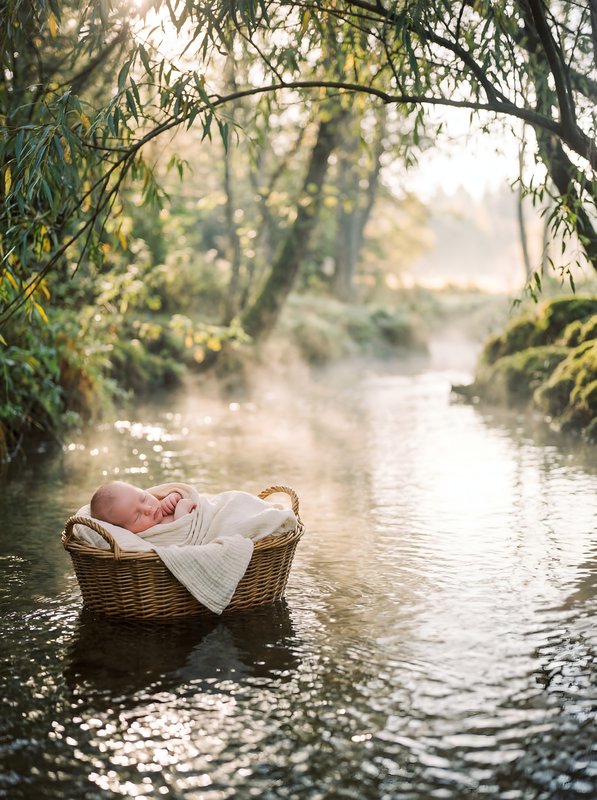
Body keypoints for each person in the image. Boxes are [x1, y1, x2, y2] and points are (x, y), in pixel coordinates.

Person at [90, 480, 196, 534]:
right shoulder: (150, 535)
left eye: (143, 498)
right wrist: (181, 512)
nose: (147, 509)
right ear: (125, 531)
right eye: (137, 516)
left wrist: (173, 496)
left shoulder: (161, 502)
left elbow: (183, 492)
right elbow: (182, 539)